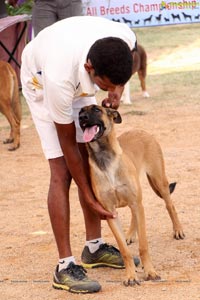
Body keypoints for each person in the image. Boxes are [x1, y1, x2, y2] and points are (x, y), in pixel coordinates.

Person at [21, 16, 137, 294]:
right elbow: (67, 143)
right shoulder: (59, 78)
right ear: (90, 68)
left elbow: (131, 59)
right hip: (40, 81)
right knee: (62, 172)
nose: (108, 92)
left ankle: (94, 248)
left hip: (75, 70)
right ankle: (64, 266)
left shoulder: (123, 37)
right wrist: (88, 193)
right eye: (105, 85)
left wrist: (116, 89)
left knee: (93, 159)